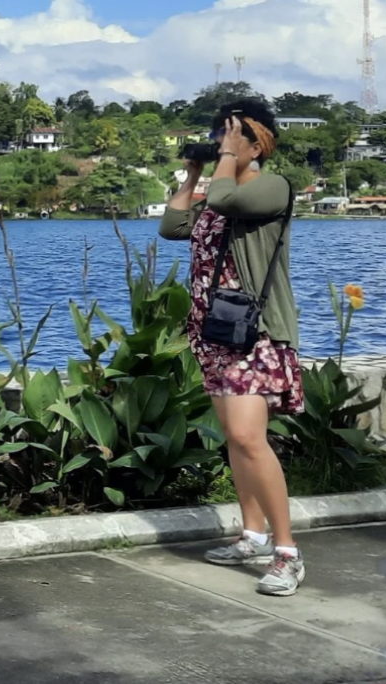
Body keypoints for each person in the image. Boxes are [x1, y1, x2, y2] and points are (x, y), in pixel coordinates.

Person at [161, 97, 306, 596]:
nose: (223, 143)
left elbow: (226, 201)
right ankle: (252, 534)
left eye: (230, 134)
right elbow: (173, 227)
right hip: (214, 332)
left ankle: (286, 552)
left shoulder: (271, 187)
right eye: (219, 134)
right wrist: (191, 176)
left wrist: (224, 162)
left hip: (255, 332)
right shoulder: (216, 191)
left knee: (249, 438)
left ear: (257, 141)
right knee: (234, 438)